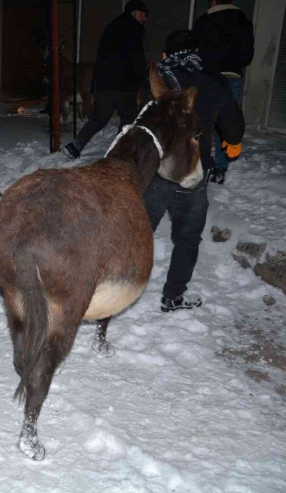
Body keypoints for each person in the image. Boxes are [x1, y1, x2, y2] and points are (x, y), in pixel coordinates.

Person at [146, 30, 244, 312]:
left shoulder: (157, 78)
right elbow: (233, 124)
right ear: (197, 52)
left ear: (166, 55)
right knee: (188, 238)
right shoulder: (214, 80)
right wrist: (233, 140)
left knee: (138, 232)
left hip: (156, 170)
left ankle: (114, 285)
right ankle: (173, 296)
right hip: (192, 172)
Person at [63, 0, 150, 160]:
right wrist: (145, 80)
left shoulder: (112, 26)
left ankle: (76, 145)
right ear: (134, 13)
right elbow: (136, 58)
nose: (144, 18)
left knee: (100, 118)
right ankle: (118, 153)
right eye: (143, 14)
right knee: (127, 119)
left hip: (103, 84)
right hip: (123, 85)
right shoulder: (133, 29)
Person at [193, 0, 254, 184]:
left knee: (201, 120)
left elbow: (196, 52)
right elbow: (247, 55)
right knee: (227, 122)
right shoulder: (243, 21)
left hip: (208, 77)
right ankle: (220, 168)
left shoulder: (204, 21)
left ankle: (198, 164)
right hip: (232, 75)